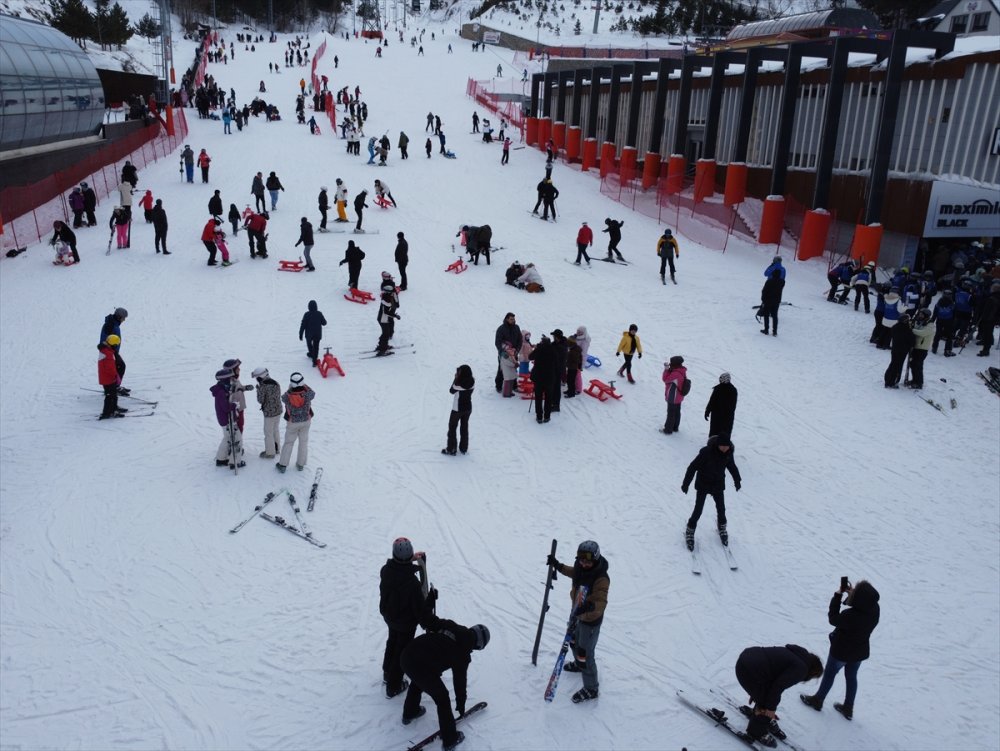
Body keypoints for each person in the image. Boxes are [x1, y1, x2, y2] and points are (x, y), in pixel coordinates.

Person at [400, 618, 490, 751]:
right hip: (420, 664)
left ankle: (410, 712)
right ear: (478, 646)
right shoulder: (463, 654)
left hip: (407, 655)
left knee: (419, 680)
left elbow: (431, 622)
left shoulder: (452, 626)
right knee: (442, 698)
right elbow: (459, 682)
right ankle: (450, 739)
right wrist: (461, 703)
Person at [801, 579, 881, 721]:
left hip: (841, 652)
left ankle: (818, 700)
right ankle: (848, 708)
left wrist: (838, 595)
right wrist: (852, 596)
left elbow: (833, 619)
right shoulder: (874, 609)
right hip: (859, 652)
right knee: (851, 677)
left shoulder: (850, 616)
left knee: (829, 674)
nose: (853, 589)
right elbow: (859, 607)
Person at [545, 540, 609, 704]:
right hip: (576, 613)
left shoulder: (601, 578)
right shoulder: (580, 567)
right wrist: (558, 566)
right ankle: (578, 664)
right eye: (581, 560)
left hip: (590, 620)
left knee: (585, 653)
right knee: (573, 641)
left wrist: (589, 606)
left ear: (595, 559)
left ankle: (591, 688)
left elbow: (601, 601)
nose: (584, 564)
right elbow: (574, 572)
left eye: (588, 562)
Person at [381, 538, 438, 697]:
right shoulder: (412, 584)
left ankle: (387, 672)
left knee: (392, 641)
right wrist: (430, 599)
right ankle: (393, 686)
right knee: (401, 651)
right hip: (405, 624)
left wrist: (411, 559)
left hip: (390, 617)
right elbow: (421, 612)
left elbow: (399, 568)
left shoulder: (386, 570)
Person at [735, 645, 824, 746]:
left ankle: (759, 714)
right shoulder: (801, 669)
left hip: (746, 659)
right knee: (767, 702)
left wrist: (756, 692)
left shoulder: (797, 655)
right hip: (750, 670)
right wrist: (770, 709)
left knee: (765, 696)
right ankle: (756, 731)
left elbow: (771, 674)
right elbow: (777, 687)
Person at [681, 433, 741, 549]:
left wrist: (737, 480)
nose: (725, 448)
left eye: (727, 446)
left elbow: (732, 467)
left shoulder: (728, 453)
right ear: (718, 444)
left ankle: (722, 527)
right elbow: (692, 467)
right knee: (698, 510)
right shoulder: (706, 452)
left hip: (718, 484)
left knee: (721, 509)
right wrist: (686, 483)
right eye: (722, 446)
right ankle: (690, 529)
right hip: (703, 483)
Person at [276, 372, 315, 472]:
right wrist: (303, 385)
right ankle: (301, 464)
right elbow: (312, 392)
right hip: (306, 421)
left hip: (292, 422)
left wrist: (291, 388)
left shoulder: (287, 396)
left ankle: (283, 465)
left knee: (288, 443)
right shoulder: (307, 394)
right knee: (303, 442)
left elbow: (283, 397)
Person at [211, 368, 245, 468]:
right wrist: (234, 405)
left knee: (227, 438)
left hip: (224, 419)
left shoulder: (221, 389)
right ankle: (235, 462)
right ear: (225, 379)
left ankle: (221, 459)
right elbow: (225, 407)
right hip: (227, 420)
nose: (231, 380)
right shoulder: (221, 392)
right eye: (229, 378)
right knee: (237, 439)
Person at [251, 367, 282, 458]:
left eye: (257, 378)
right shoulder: (275, 382)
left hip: (269, 413)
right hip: (278, 410)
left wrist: (258, 390)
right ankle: (277, 448)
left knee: (268, 433)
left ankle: (270, 453)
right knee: (275, 430)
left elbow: (260, 400)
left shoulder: (263, 386)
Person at [443, 365, 475, 455]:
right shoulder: (472, 381)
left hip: (457, 409)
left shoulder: (458, 385)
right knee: (464, 427)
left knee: (452, 428)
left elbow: (451, 390)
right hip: (468, 408)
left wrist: (456, 378)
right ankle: (464, 448)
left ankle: (451, 449)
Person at [100, 307, 128, 391]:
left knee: (119, 367)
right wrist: (111, 352)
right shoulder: (110, 325)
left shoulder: (114, 323)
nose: (124, 320)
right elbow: (106, 339)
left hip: (112, 351)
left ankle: (115, 387)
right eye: (123, 318)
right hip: (109, 352)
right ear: (119, 317)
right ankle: (113, 388)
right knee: (119, 367)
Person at [529, 334, 556, 423]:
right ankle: (547, 416)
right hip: (549, 377)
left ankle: (539, 417)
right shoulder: (553, 350)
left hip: (539, 377)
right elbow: (557, 362)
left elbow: (530, 357)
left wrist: (537, 348)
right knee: (548, 398)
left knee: (538, 397)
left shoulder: (539, 349)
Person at [494, 312, 523, 392]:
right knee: (501, 370)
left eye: (514, 319)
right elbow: (497, 342)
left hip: (514, 353)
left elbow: (520, 340)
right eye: (511, 319)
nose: (513, 320)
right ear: (507, 319)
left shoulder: (516, 327)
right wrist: (502, 352)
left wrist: (517, 350)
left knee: (513, 369)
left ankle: (514, 386)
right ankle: (498, 386)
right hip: (504, 355)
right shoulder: (501, 329)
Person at [883, 313, 914, 388]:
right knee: (897, 366)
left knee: (893, 364)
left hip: (895, 349)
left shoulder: (895, 327)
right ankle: (891, 382)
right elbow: (912, 340)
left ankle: (887, 379)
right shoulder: (906, 329)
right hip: (902, 351)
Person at [704, 372, 738, 438]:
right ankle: (713, 442)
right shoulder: (718, 388)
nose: (720, 380)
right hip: (717, 415)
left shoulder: (732, 390)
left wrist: (725, 412)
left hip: (726, 416)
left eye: (721, 379)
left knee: (724, 433)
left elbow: (733, 406)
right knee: (715, 433)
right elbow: (712, 401)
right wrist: (707, 411)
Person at [907, 308, 935, 389]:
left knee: (918, 365)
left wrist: (912, 330)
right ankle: (914, 380)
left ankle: (919, 382)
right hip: (915, 346)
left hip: (922, 348)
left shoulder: (930, 325)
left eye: (922, 314)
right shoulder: (919, 321)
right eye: (920, 314)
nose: (920, 315)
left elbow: (923, 333)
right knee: (913, 364)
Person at [97, 335, 122, 419]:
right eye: (116, 345)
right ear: (113, 344)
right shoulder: (108, 354)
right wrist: (115, 375)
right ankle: (107, 412)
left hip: (106, 378)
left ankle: (112, 409)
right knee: (111, 396)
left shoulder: (105, 351)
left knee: (111, 395)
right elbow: (110, 368)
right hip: (108, 379)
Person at [661, 355, 687, 433]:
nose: (670, 364)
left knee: (671, 413)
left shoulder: (676, 373)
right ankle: (675, 427)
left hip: (673, 397)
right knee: (677, 412)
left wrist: (666, 369)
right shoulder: (682, 370)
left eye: (671, 363)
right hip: (679, 396)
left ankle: (668, 430)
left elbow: (665, 379)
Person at [299, 300, 327, 366]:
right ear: (316, 306)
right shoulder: (319, 313)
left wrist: (300, 334)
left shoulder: (306, 314)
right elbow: (324, 323)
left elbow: (303, 325)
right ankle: (314, 360)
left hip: (309, 334)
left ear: (309, 307)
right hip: (317, 334)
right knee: (316, 346)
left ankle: (311, 353)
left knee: (309, 344)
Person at [760, 269, 785, 336]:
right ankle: (775, 332)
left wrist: (763, 300)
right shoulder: (782, 282)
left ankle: (766, 330)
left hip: (768, 301)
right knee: (775, 316)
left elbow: (764, 291)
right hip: (776, 301)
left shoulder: (769, 281)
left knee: (766, 315)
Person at [377, 287, 401, 355]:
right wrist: (395, 316)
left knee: (385, 333)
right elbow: (386, 312)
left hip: (382, 318)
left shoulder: (386, 296)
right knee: (386, 334)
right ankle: (383, 350)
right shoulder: (387, 300)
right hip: (383, 319)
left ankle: (381, 346)